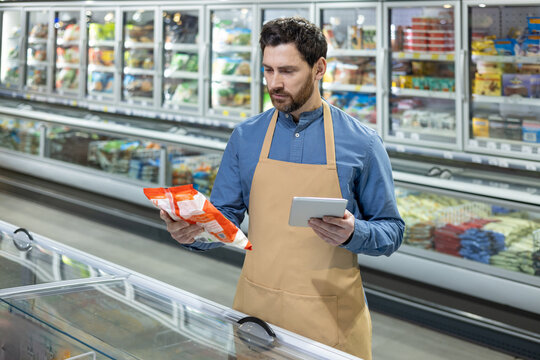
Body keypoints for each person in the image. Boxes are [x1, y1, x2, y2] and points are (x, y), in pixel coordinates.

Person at [160, 16, 404, 360]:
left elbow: (392, 231)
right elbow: (224, 216)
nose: (275, 83)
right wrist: (194, 232)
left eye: (288, 71)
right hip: (258, 314)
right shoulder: (246, 137)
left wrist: (353, 232)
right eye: (268, 70)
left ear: (319, 68)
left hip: (330, 321)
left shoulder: (362, 144)